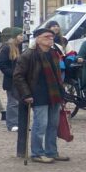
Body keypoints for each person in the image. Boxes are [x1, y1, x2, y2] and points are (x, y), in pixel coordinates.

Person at [13, 28, 67, 164]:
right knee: (40, 125)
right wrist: (26, 94)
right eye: (46, 37)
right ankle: (37, 152)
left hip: (54, 93)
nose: (50, 39)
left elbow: (58, 75)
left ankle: (52, 151)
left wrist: (62, 93)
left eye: (51, 37)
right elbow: (18, 76)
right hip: (38, 94)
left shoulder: (54, 53)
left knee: (53, 124)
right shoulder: (28, 55)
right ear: (37, 39)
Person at [0, 27, 24, 132]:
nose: (22, 37)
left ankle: (21, 122)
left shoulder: (22, 47)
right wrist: (13, 74)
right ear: (14, 37)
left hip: (22, 79)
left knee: (21, 102)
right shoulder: (7, 48)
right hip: (12, 80)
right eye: (20, 35)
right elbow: (2, 64)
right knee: (13, 102)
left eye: (22, 34)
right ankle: (12, 123)